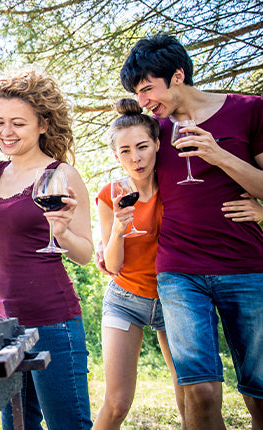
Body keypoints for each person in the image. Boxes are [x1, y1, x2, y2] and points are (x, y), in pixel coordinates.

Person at [120, 34, 263, 430]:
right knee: (199, 392)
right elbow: (135, 182)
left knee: (260, 394)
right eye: (138, 92)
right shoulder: (154, 131)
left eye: (148, 88)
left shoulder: (250, 111)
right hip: (179, 270)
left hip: (247, 267)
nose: (145, 100)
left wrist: (219, 156)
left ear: (178, 75)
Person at [0, 68, 93, 430]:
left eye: (18, 123)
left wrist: (63, 232)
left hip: (55, 320)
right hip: (6, 324)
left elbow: (85, 254)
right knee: (15, 426)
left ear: (43, 124)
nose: (6, 132)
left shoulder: (63, 175)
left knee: (66, 424)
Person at [93, 98, 184, 429]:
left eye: (143, 146)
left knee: (188, 392)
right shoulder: (110, 194)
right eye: (126, 151)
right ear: (116, 156)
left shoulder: (177, 188)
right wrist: (118, 229)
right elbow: (114, 265)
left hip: (174, 299)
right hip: (125, 300)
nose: (136, 157)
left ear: (157, 144)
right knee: (117, 403)